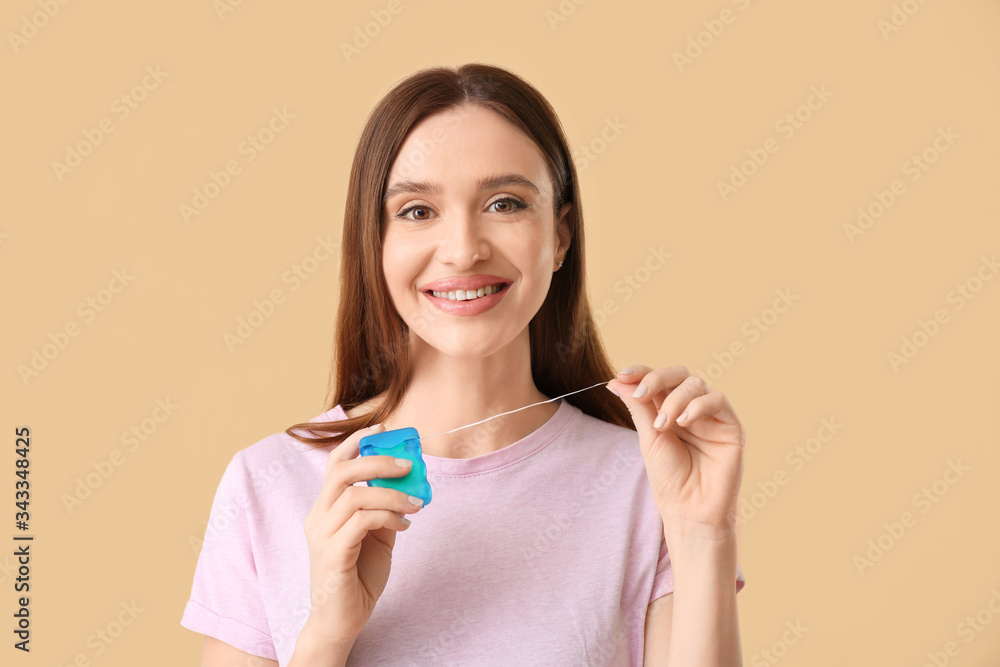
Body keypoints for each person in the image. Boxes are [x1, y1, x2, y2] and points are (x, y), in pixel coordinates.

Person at [180, 63, 747, 666]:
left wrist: (702, 535)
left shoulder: (648, 484)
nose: (462, 250)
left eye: (505, 203)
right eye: (417, 211)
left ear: (560, 235)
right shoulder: (268, 484)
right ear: (373, 244)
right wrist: (326, 633)